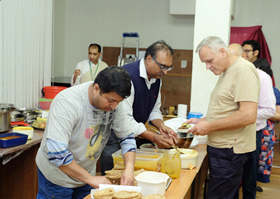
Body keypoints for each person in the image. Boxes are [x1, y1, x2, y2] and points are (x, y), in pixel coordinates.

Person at [36, 66, 136, 199]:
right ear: (96, 89)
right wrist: (90, 178)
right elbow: (57, 155)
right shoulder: (67, 102)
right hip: (57, 178)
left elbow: (127, 137)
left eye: (119, 102)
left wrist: (129, 169)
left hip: (86, 175)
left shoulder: (114, 102)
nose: (114, 107)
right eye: (111, 101)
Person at [185, 36, 260, 199]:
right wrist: (203, 120)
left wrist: (209, 126)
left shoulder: (244, 70)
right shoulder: (227, 71)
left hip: (230, 150)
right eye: (205, 62)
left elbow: (248, 115)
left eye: (209, 61)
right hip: (222, 148)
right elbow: (226, 109)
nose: (207, 67)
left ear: (222, 51)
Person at [100, 40, 178, 175]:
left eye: (168, 68)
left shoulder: (156, 78)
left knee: (131, 176)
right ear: (149, 59)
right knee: (113, 176)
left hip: (132, 136)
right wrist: (154, 137)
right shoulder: (128, 77)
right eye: (162, 66)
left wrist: (162, 127)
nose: (165, 72)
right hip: (114, 137)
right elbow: (126, 119)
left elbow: (154, 109)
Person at [228, 43, 276, 198]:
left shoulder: (262, 77)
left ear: (244, 56)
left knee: (249, 177)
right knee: (232, 177)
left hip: (253, 133)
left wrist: (245, 115)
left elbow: (270, 110)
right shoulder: (230, 75)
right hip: (232, 133)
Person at [254, 58, 280, 184]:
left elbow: (278, 115)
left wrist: (263, 113)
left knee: (262, 159)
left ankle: (256, 183)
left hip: (266, 132)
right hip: (252, 129)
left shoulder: (274, 91)